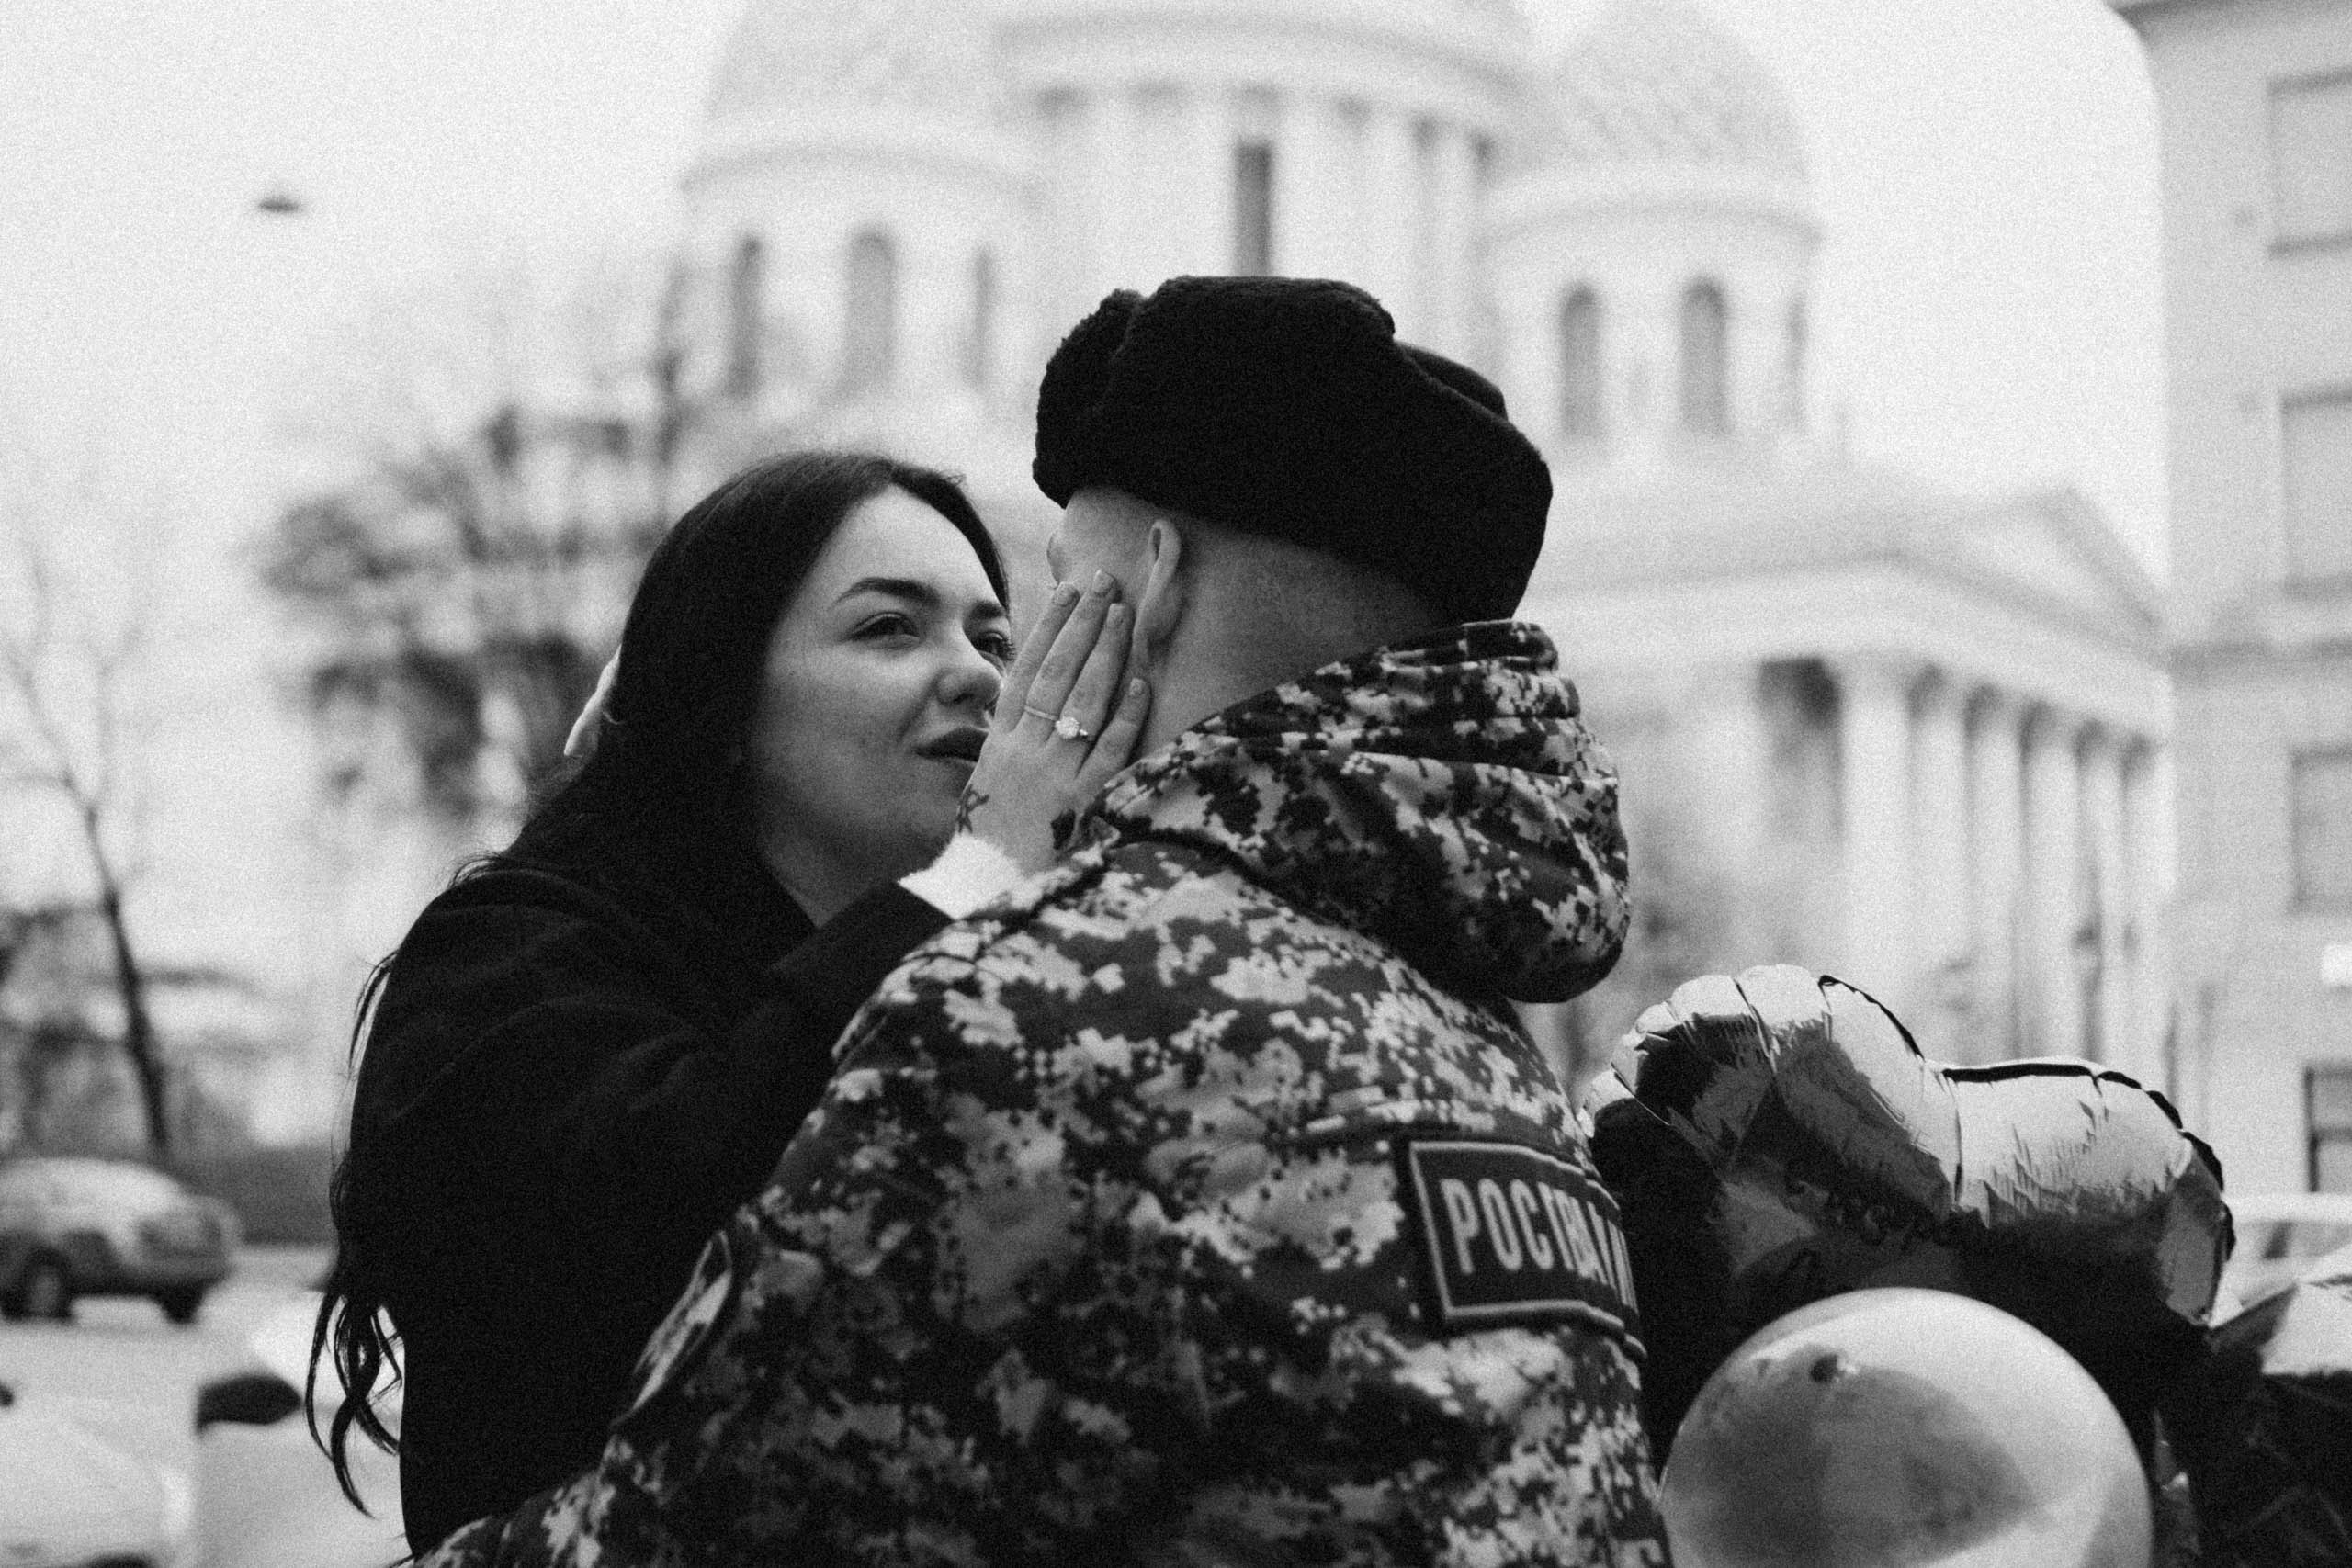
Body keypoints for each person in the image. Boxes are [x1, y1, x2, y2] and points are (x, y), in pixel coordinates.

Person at [419, 277, 1668, 1565]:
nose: (988, 672)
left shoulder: (1049, 998)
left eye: (1046, 593)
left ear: (1155, 587)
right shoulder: (1497, 1055)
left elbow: (696, 1523)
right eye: (889, 626)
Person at [312, 449, 1149, 1554]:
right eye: (887, 629)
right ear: (723, 697)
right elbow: (675, 1237)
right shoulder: (506, 958)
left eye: (993, 638)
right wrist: (975, 876)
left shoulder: (1012, 960)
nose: (978, 678)